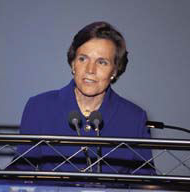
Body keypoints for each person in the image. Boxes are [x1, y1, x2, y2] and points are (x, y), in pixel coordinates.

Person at [10, 21, 155, 176]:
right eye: (83, 59)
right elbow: (21, 172)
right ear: (73, 63)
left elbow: (146, 181)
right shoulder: (39, 107)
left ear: (115, 70)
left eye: (102, 62)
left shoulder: (134, 118)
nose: (90, 70)